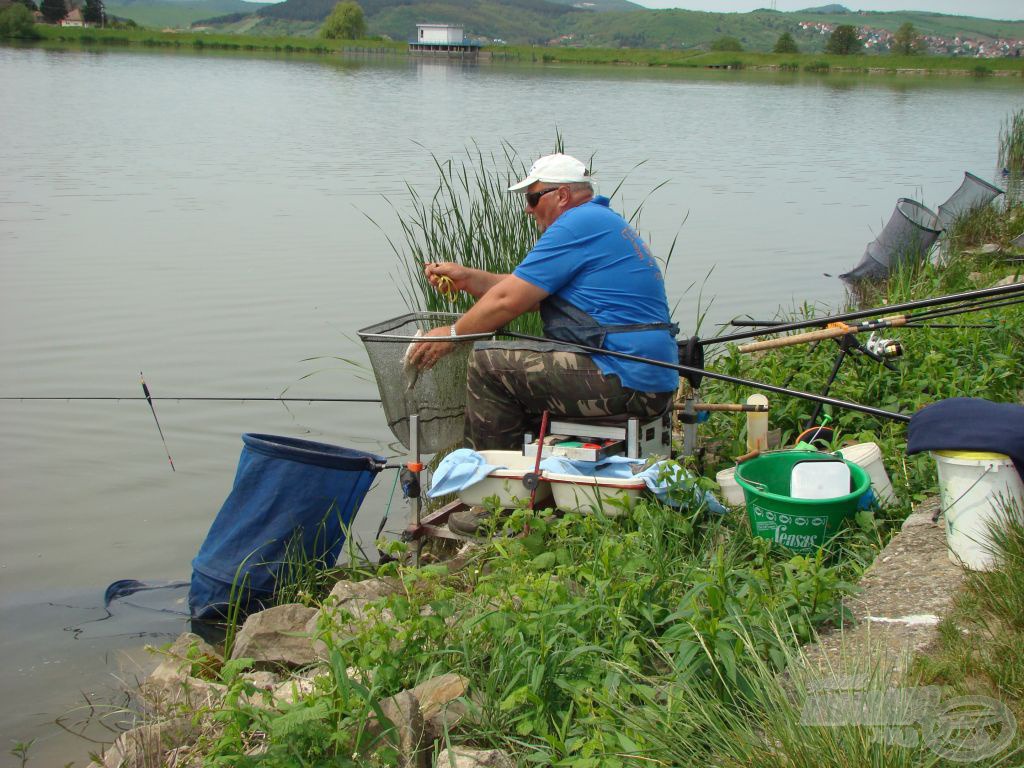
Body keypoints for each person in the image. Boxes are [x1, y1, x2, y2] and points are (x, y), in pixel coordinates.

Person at [407, 152, 679, 452]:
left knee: (488, 364)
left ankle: (495, 486)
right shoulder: (599, 220)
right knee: (519, 365)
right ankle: (532, 467)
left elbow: (507, 301)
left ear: (562, 195)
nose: (527, 209)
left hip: (624, 376)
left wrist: (453, 335)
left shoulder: (576, 224)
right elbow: (524, 293)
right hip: (646, 378)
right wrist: (468, 278)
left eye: (533, 198)